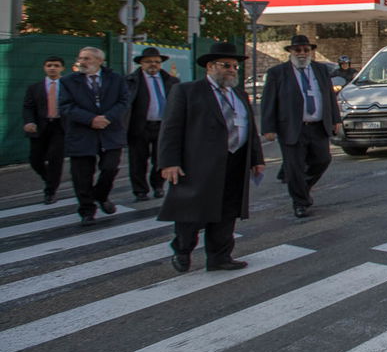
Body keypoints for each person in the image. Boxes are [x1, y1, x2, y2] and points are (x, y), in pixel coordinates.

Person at [157, 42, 264, 272]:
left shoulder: (239, 94)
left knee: (227, 212)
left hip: (234, 161)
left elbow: (250, 129)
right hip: (198, 164)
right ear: (210, 66)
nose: (232, 70)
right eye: (227, 65)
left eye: (235, 66)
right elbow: (171, 128)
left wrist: (256, 159)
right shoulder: (187, 91)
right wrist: (169, 162)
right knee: (192, 212)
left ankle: (219, 256)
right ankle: (183, 250)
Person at [261, 33, 341, 218]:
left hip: (317, 125)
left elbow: (329, 96)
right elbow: (268, 101)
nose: (302, 53)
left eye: (306, 50)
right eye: (298, 50)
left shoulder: (320, 70)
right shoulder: (278, 73)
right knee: (294, 167)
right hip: (291, 127)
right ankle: (300, 202)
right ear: (291, 52)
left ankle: (303, 188)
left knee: (322, 159)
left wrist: (336, 119)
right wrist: (268, 127)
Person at [58, 46, 131, 226]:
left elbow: (124, 101)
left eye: (87, 59)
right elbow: (66, 106)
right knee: (81, 174)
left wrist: (107, 118)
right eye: (81, 58)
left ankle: (101, 195)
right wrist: (91, 119)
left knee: (110, 167)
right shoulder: (69, 81)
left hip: (110, 130)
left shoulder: (115, 79)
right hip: (82, 132)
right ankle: (87, 209)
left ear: (99, 61)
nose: (82, 62)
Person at [125, 46, 178, 201]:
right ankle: (140, 190)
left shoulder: (171, 81)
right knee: (137, 160)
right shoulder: (131, 81)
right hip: (139, 126)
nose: (153, 64)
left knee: (161, 159)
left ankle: (158, 185)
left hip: (163, 126)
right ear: (141, 63)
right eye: (148, 62)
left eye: (156, 61)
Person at [22, 56, 67, 204]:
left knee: (55, 158)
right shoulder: (35, 88)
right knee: (35, 160)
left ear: (62, 68)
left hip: (60, 127)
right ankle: (49, 178)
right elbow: (28, 107)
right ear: (44, 68)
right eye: (49, 65)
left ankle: (50, 191)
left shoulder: (68, 87)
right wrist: (29, 122)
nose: (52, 68)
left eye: (56, 65)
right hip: (40, 127)